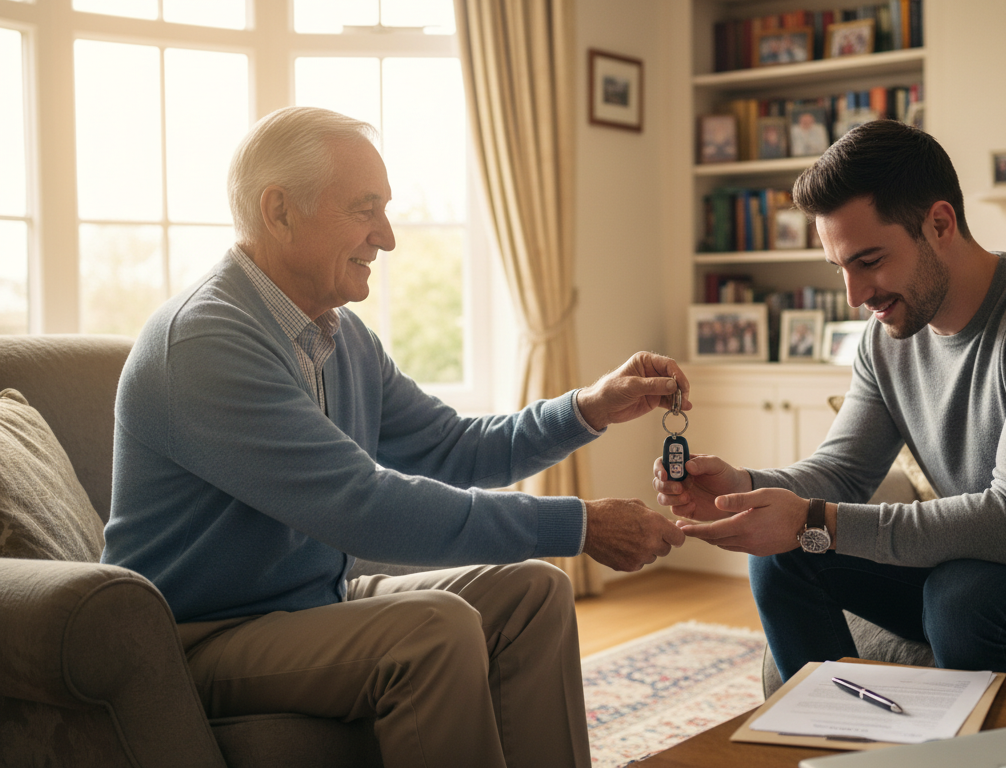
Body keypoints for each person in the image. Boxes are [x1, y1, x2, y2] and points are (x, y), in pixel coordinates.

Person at [101, 106, 688, 768]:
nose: (387, 237)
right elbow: (364, 507)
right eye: (365, 209)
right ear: (279, 211)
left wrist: (591, 407)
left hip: (312, 604)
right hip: (202, 636)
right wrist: (579, 525)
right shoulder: (206, 341)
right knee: (434, 632)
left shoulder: (341, 337)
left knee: (533, 594)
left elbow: (455, 449)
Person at [653, 119, 1006, 685]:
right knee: (782, 557)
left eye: (869, 261)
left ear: (939, 224)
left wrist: (814, 519)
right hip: (982, 574)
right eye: (838, 268)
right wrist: (742, 486)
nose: (855, 296)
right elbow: (841, 472)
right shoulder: (886, 338)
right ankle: (834, 742)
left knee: (964, 596)